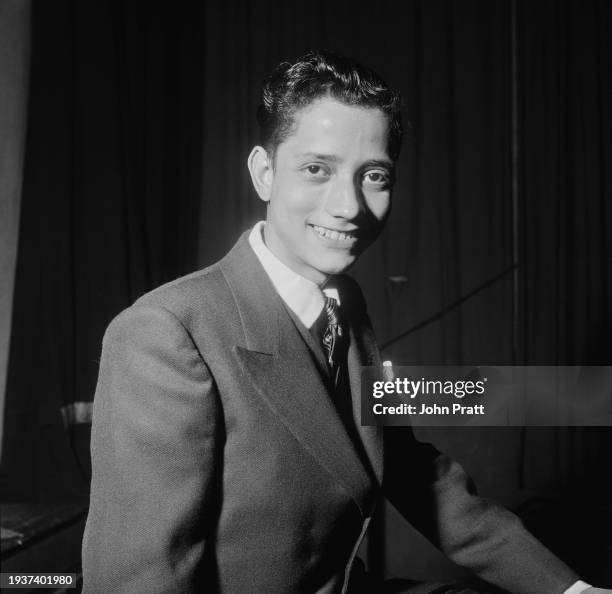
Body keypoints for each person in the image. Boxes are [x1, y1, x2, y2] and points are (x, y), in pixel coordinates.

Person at [82, 50, 601, 593]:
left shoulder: (345, 305)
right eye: (316, 169)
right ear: (264, 174)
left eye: (373, 176)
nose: (348, 205)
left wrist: (570, 591)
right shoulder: (165, 332)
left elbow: (414, 473)